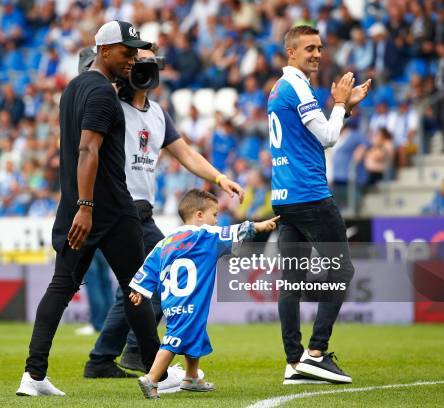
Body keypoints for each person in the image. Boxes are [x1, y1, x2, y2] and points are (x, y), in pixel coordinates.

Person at [81, 46, 244, 383]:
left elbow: (185, 153)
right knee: (160, 276)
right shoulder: (110, 106)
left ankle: (102, 359)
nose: (142, 70)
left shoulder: (157, 113)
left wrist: (219, 178)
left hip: (142, 211)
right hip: (120, 208)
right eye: (136, 63)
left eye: (148, 65)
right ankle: (138, 353)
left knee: (136, 287)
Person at [16, 21, 160, 397]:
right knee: (137, 290)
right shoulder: (101, 94)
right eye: (126, 52)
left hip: (79, 208)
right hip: (107, 210)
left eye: (135, 52)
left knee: (61, 288)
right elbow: (87, 150)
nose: (132, 59)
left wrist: (79, 206)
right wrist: (87, 206)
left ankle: (33, 376)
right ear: (104, 50)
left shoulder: (75, 88)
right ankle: (156, 372)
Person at [267, 25, 370, 385]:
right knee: (341, 272)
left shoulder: (280, 88)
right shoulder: (296, 86)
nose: (317, 53)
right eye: (309, 47)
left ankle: (294, 362)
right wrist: (340, 104)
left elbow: (309, 136)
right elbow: (327, 138)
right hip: (310, 195)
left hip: (284, 197)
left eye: (320, 47)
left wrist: (346, 110)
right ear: (290, 52)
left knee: (291, 280)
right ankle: (316, 353)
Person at [129, 189, 279, 399]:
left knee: (195, 331)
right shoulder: (206, 235)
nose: (217, 221)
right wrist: (258, 226)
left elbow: (150, 266)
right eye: (214, 215)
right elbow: (235, 231)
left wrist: (139, 290)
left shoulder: (166, 241)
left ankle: (191, 377)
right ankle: (152, 379)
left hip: (171, 299)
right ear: (199, 215)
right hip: (189, 299)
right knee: (174, 339)